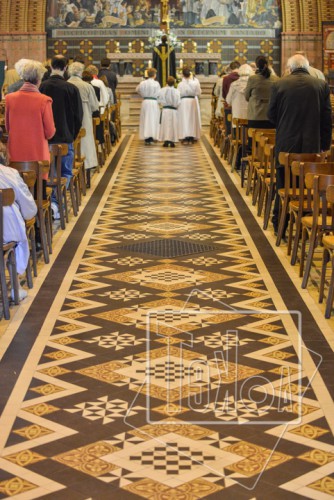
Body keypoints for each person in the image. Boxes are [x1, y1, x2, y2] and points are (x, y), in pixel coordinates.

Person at [267, 53, 332, 236]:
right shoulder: (321, 85)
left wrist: (285, 124)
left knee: (284, 186)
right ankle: (307, 229)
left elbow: (271, 116)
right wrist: (325, 146)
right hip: (312, 147)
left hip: (286, 146)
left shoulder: (279, 84)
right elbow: (327, 119)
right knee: (309, 188)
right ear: (307, 67)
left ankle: (280, 225)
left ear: (290, 68)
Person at [39, 55, 83, 219]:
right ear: (66, 68)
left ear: (50, 67)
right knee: (64, 173)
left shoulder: (42, 86)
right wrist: (72, 134)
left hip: (45, 140)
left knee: (47, 174)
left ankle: (51, 205)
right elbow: (78, 116)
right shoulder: (71, 88)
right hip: (65, 138)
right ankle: (58, 204)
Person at [5, 60, 56, 173]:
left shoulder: (9, 98)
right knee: (38, 188)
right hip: (37, 155)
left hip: (15, 154)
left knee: (17, 187)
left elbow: (8, 128)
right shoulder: (44, 100)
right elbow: (50, 132)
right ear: (39, 79)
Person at [0, 161, 37, 301]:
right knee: (16, 242)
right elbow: (29, 208)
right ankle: (16, 287)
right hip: (6, 231)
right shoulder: (10, 173)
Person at [67, 62, 99, 175]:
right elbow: (95, 106)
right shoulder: (87, 86)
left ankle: (70, 163)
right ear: (81, 72)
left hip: (69, 116)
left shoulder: (66, 84)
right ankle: (87, 163)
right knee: (85, 139)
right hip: (84, 116)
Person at [245, 55, 279, 129]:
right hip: (271, 117)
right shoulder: (276, 79)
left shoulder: (252, 79)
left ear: (257, 65)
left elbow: (247, 97)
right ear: (269, 64)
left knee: (253, 139)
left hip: (256, 116)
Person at [136, 67, 160, 145]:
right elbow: (159, 93)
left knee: (146, 119)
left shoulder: (143, 83)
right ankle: (152, 137)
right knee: (153, 119)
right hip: (153, 102)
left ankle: (146, 138)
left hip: (145, 102)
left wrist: (142, 95)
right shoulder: (156, 83)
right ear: (154, 75)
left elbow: (137, 90)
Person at [177, 67, 201, 144]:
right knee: (192, 119)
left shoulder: (180, 84)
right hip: (192, 101)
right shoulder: (195, 83)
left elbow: (178, 94)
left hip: (183, 102)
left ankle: (185, 137)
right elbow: (198, 92)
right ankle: (191, 137)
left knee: (184, 119)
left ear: (183, 75)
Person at [157, 76, 181, 148]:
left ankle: (166, 141)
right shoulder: (177, 91)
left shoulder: (162, 90)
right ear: (174, 83)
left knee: (165, 125)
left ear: (166, 82)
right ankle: (172, 141)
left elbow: (159, 100)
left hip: (165, 110)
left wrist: (162, 104)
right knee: (173, 125)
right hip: (173, 110)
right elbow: (178, 102)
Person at [222, 61, 240, 135]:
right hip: (240, 108)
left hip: (229, 107)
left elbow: (224, 94)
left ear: (231, 68)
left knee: (229, 127)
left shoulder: (226, 78)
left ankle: (228, 140)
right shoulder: (242, 78)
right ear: (239, 67)